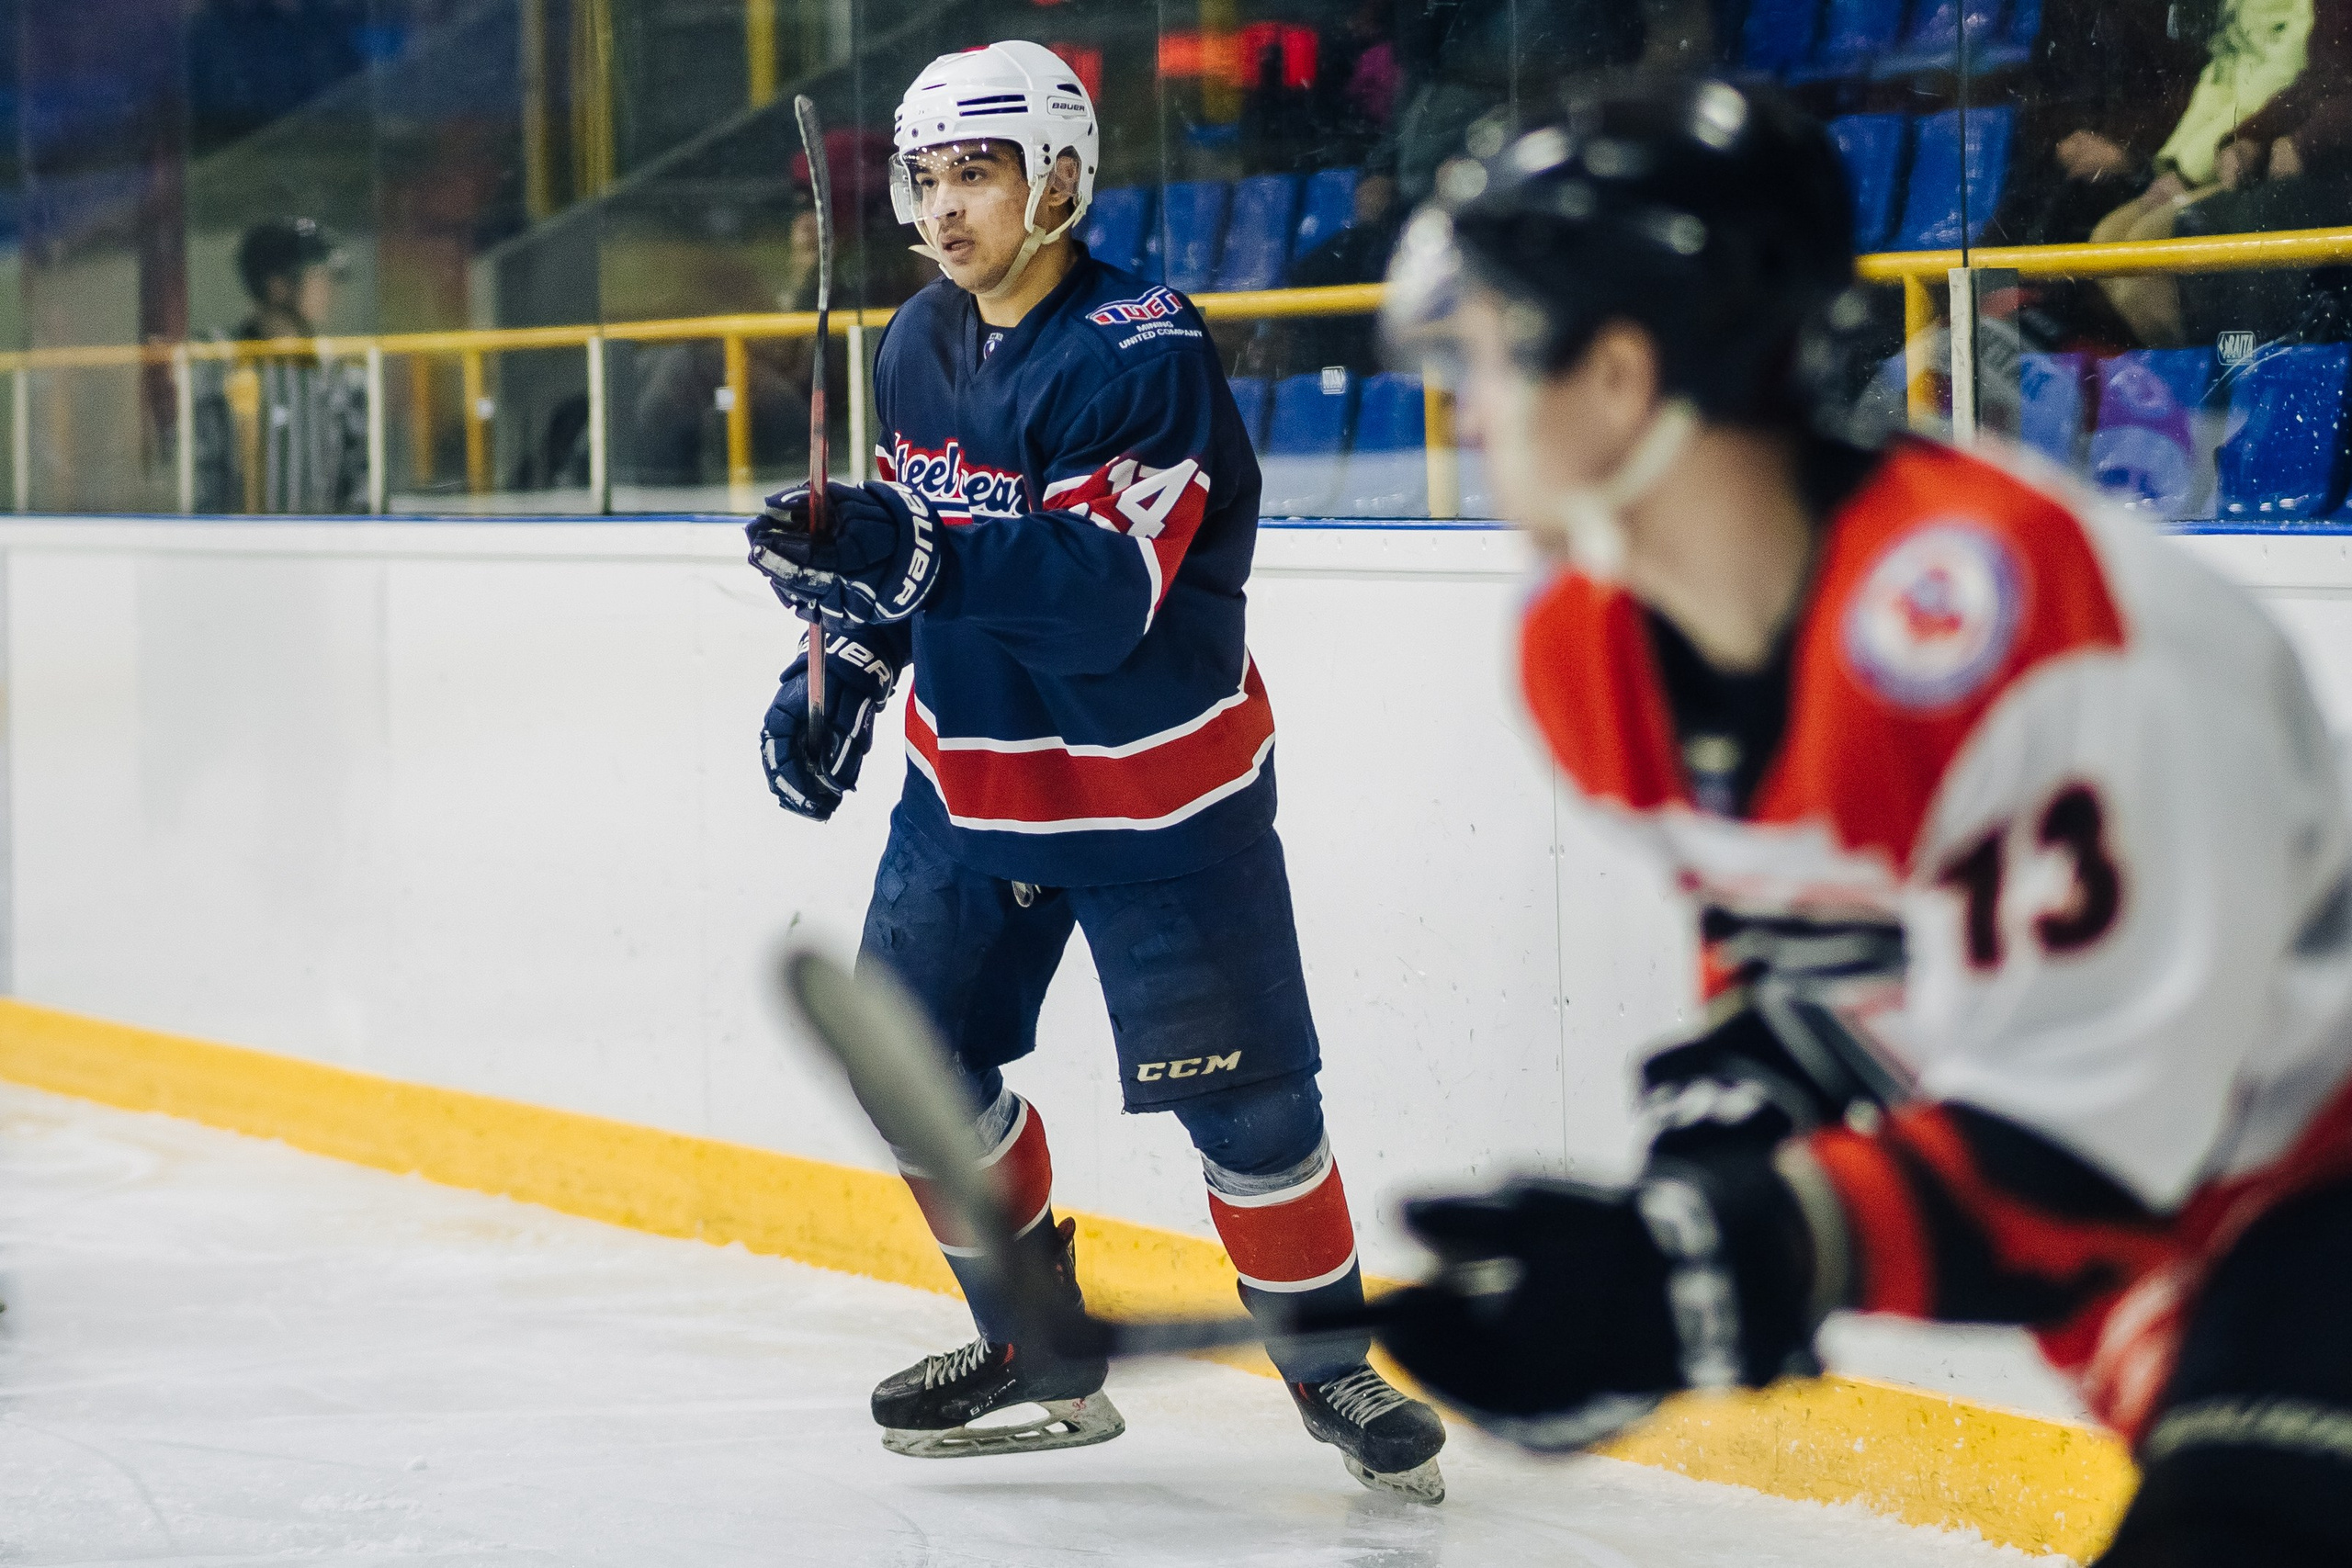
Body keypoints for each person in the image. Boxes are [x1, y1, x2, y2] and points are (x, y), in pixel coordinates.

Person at [1373, 76, 2352, 1565]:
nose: (1467, 399)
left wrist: (1726, 1264)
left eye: (1500, 352)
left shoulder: (2030, 628)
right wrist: (1673, 1223)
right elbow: (1819, 978)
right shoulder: (1593, 649)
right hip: (2191, 1254)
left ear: (1625, 376)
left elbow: (2089, 1165)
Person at [742, 39, 1446, 1502]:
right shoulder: (916, 342)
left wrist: (907, 549)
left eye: (977, 173)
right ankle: (1036, 1340)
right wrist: (847, 668)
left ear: (1058, 176)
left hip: (1158, 796)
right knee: (915, 1067)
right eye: (926, 178)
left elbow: (1104, 595)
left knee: (1253, 1113)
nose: (944, 210)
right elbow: (918, 571)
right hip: (971, 789)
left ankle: (1328, 1361)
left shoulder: (1144, 347)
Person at [194, 217, 368, 513]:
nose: (329, 290)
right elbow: (201, 474)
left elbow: (360, 476)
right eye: (319, 276)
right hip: (234, 550)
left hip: (319, 550)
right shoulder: (217, 361)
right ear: (277, 285)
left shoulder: (340, 370)